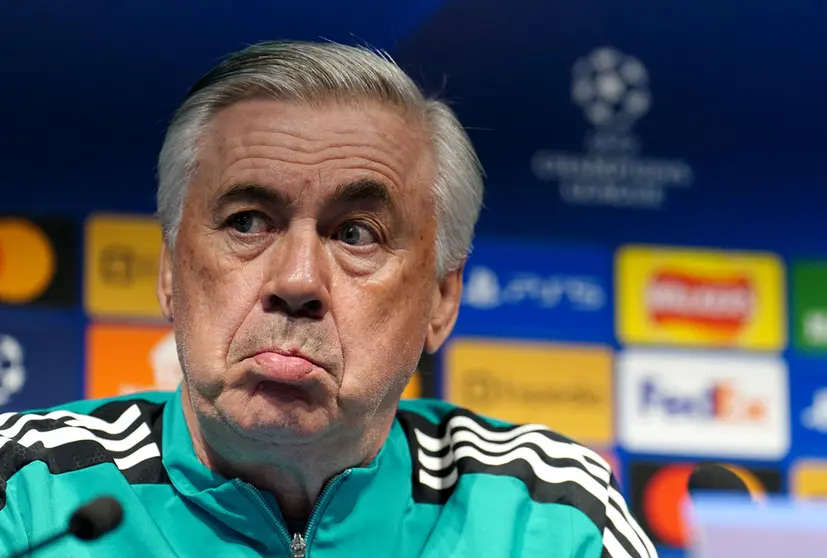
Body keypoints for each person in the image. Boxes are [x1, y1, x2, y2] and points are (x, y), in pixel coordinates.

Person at [0, 40, 657, 557]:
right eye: (248, 222)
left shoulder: (549, 517)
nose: (296, 282)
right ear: (170, 271)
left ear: (440, 299)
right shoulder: (23, 492)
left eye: (355, 234)